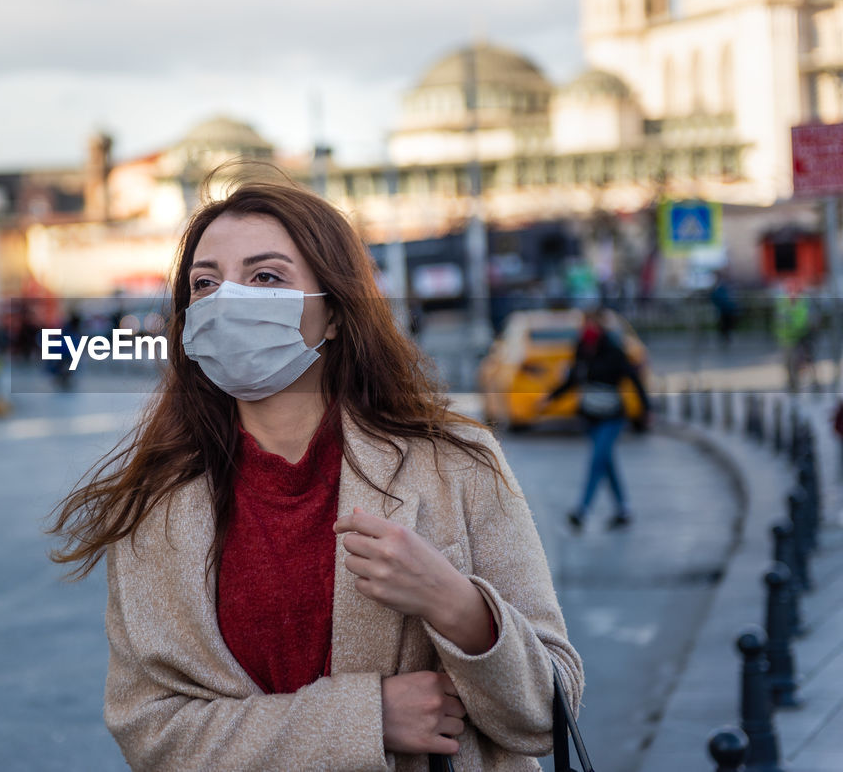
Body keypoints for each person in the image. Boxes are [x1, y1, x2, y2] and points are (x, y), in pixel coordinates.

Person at [48, 179, 582, 771]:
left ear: (333, 312)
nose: (228, 300)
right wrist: (366, 719)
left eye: (266, 277)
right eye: (205, 283)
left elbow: (545, 715)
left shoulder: (457, 461)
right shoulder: (156, 504)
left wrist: (455, 605)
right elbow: (149, 732)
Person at [540, 309, 649, 530]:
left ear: (600, 327)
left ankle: (582, 510)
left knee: (597, 461)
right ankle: (623, 509)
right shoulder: (581, 348)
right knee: (607, 463)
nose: (587, 329)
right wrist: (550, 398)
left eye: (592, 324)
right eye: (585, 324)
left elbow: (634, 379)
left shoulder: (614, 350)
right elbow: (573, 380)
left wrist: (646, 408)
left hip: (612, 417)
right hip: (591, 418)